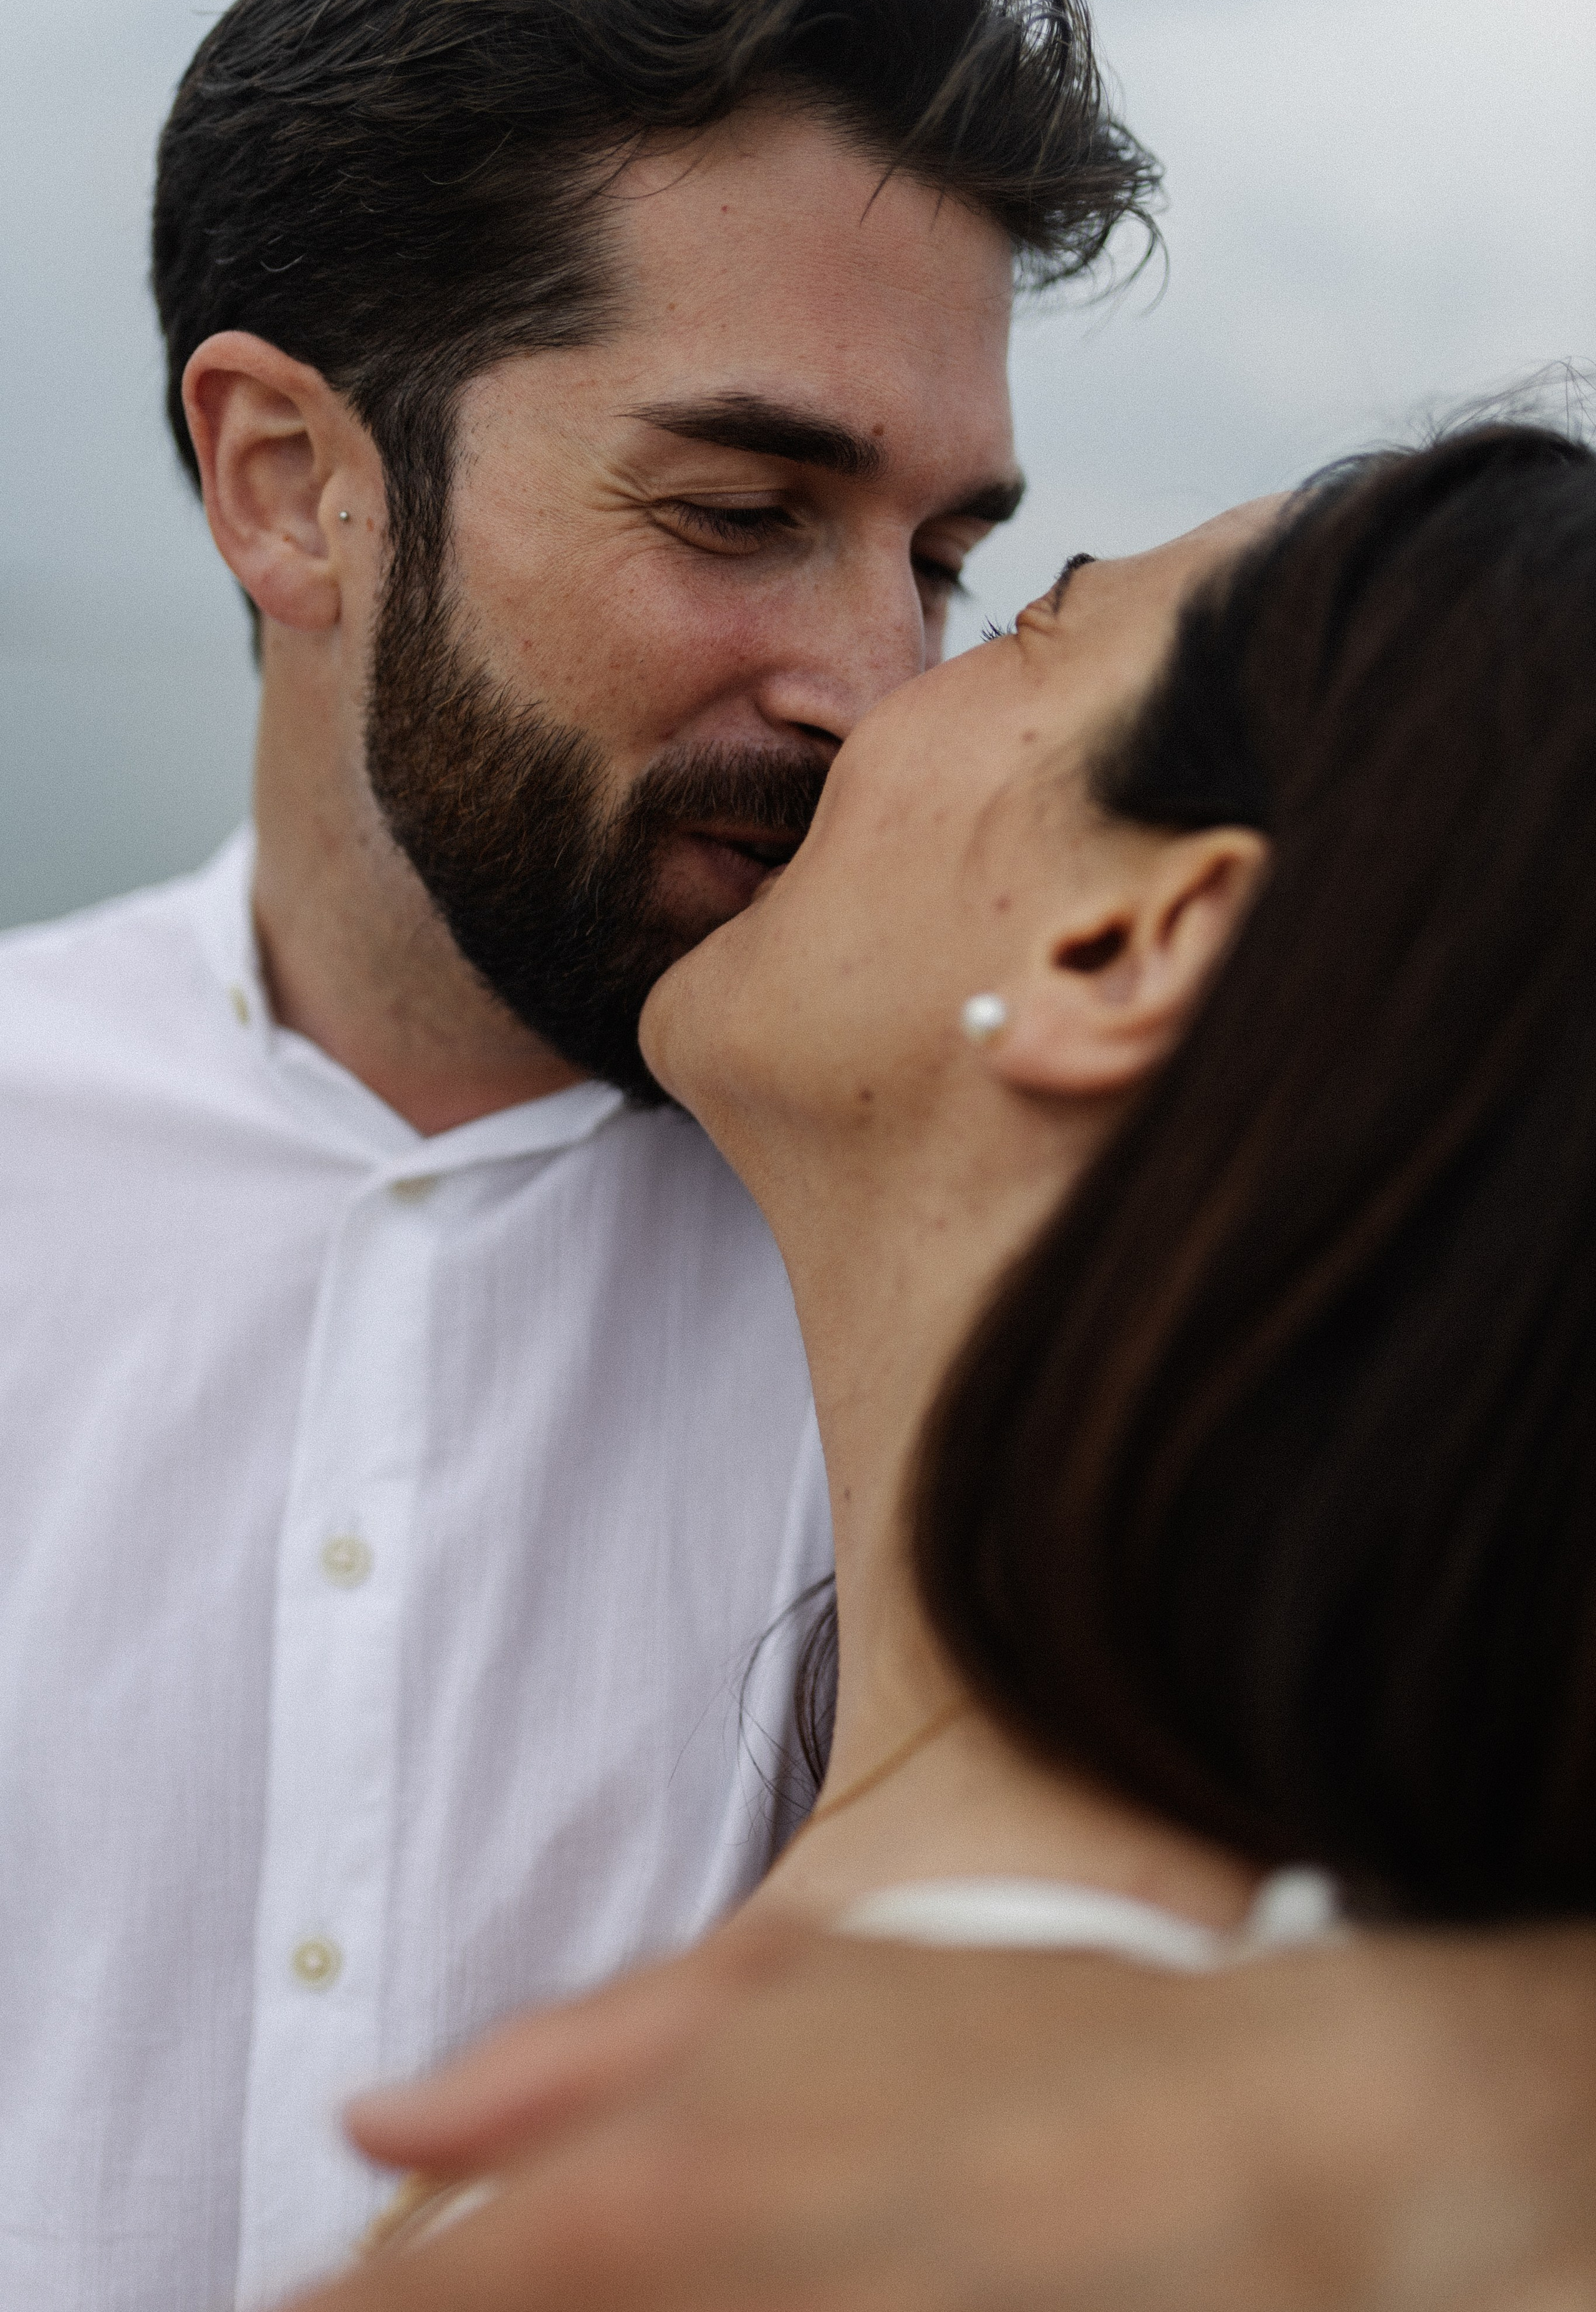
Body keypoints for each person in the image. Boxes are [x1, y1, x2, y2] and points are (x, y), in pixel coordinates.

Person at [0, 0, 1155, 2303]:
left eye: (944, 558)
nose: (880, 684)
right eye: (742, 509)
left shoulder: (1066, 1283)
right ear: (291, 484)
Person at [289, 425, 1596, 2310]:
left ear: (1125, 943)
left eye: (1028, 623)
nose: (870, 687)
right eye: (739, 519)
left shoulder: (954, 2211)